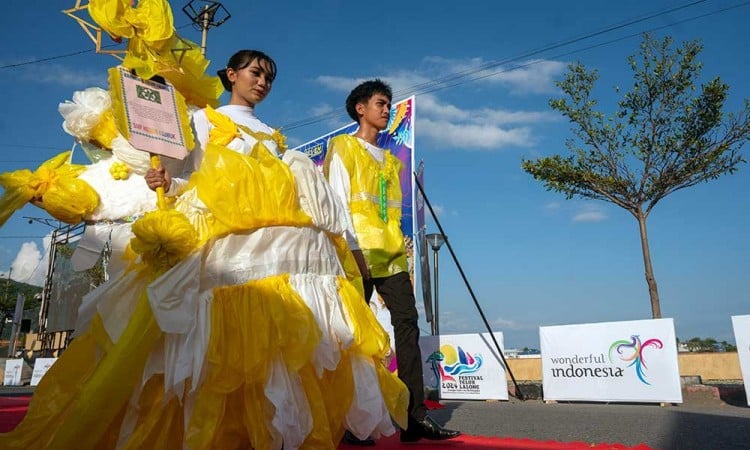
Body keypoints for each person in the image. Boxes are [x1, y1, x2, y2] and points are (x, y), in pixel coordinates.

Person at [0, 52, 407, 450]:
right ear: (231, 75)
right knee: (217, 340)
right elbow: (186, 176)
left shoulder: (271, 132)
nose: (262, 82)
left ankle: (260, 430)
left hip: (276, 240)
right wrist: (164, 180)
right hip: (217, 235)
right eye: (254, 73)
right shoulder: (202, 120)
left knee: (272, 344)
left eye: (268, 77)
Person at [325, 79, 461, 443]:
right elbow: (338, 203)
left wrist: (401, 249)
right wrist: (352, 252)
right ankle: (350, 422)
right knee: (350, 335)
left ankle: (414, 419)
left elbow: (391, 214)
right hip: (356, 253)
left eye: (389, 105)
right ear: (361, 108)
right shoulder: (342, 147)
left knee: (407, 326)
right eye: (381, 104)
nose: (387, 110)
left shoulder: (389, 161)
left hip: (391, 255)